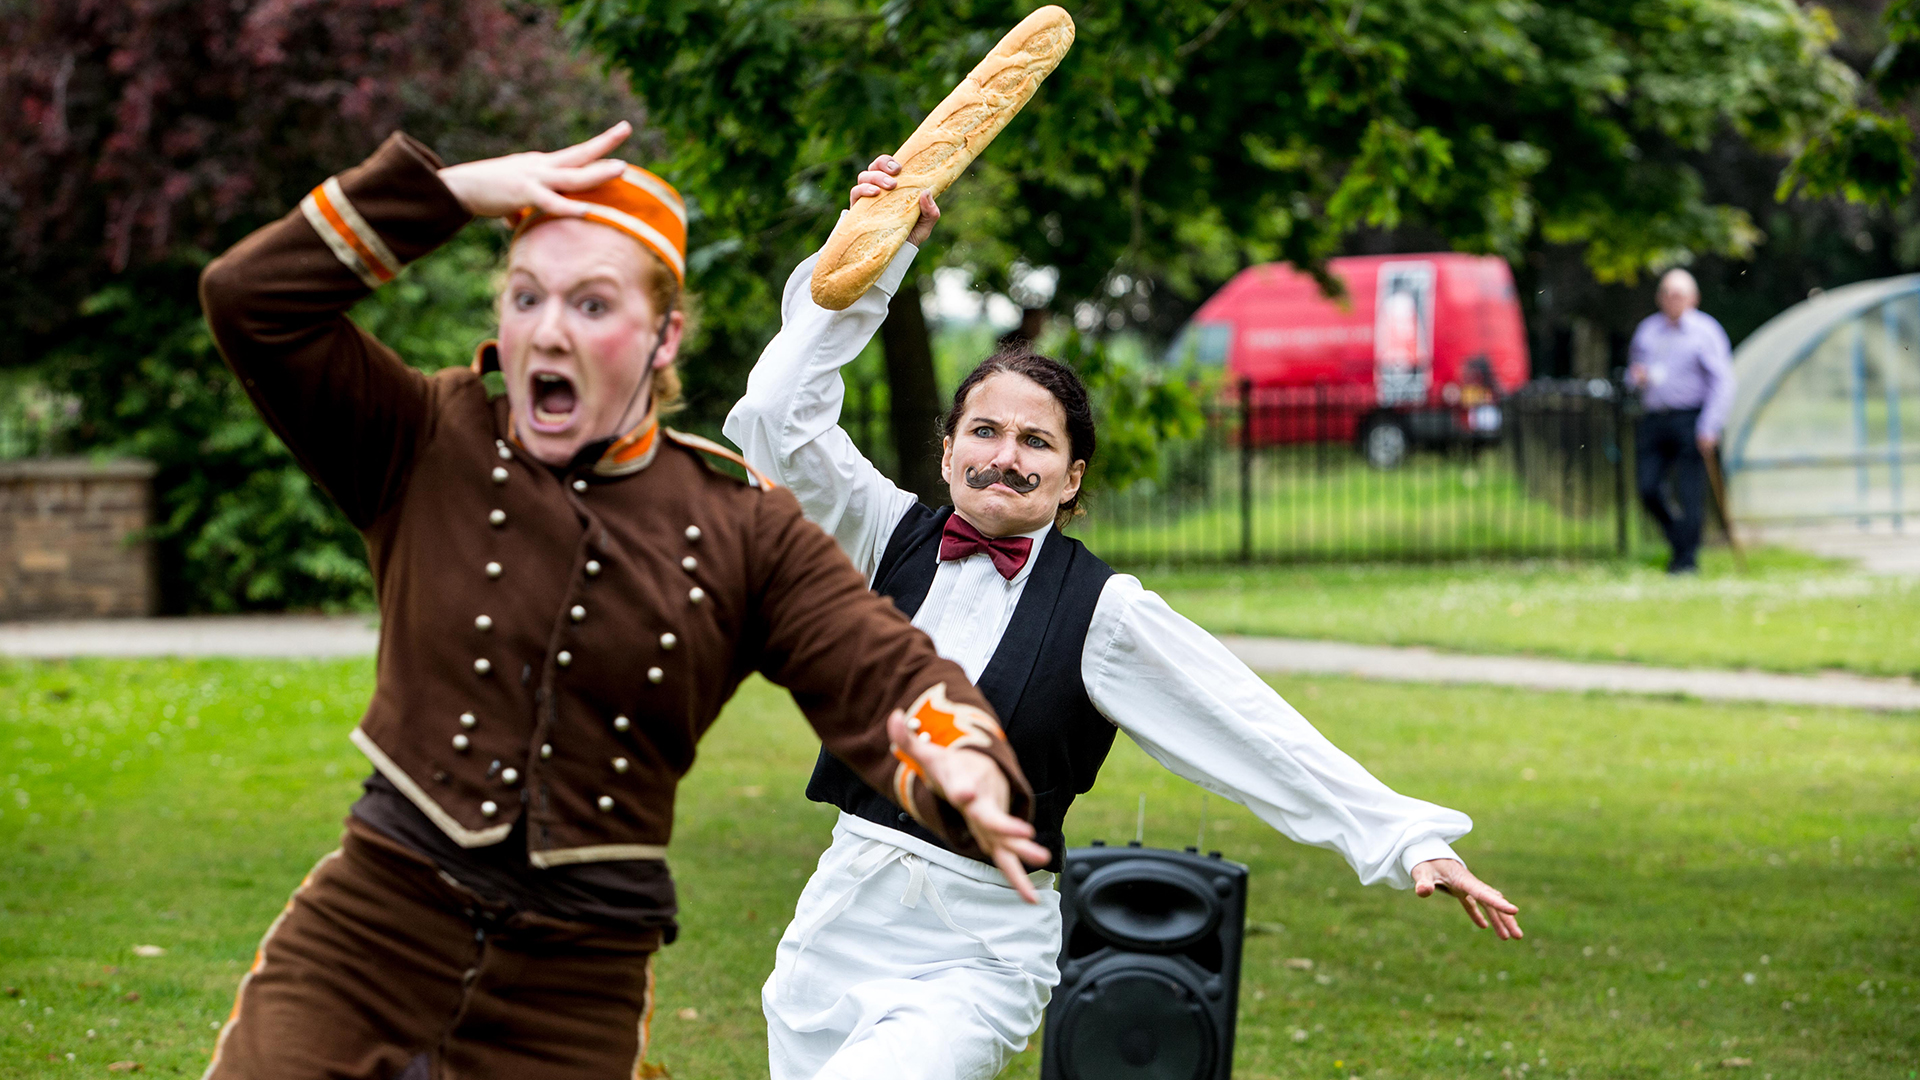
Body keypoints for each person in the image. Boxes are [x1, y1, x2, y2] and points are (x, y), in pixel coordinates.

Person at [195, 124, 1049, 1080]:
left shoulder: (738, 522)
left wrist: (958, 755)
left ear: (663, 335)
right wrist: (448, 194)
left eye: (591, 303)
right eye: (527, 297)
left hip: (578, 980)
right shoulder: (424, 436)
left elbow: (877, 668)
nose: (549, 329)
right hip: (372, 931)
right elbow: (251, 301)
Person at [724, 156, 1524, 1080]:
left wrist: (1401, 838)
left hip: (975, 949)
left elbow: (1247, 725)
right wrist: (872, 254)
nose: (1005, 457)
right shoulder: (877, 533)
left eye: (1036, 442)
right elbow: (776, 414)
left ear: (1071, 481)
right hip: (837, 920)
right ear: (946, 455)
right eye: (984, 433)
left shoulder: (1104, 611)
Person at [1627, 267, 1736, 574]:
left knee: (1690, 493)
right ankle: (1680, 540)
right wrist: (1636, 378)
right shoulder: (1647, 330)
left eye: (1679, 294)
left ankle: (1686, 562)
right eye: (1667, 293)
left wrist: (1710, 425)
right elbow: (1632, 372)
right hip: (1655, 418)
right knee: (1648, 488)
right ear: (1659, 297)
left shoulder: (1705, 331)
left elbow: (1723, 381)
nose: (1672, 300)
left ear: (1693, 298)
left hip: (1691, 419)